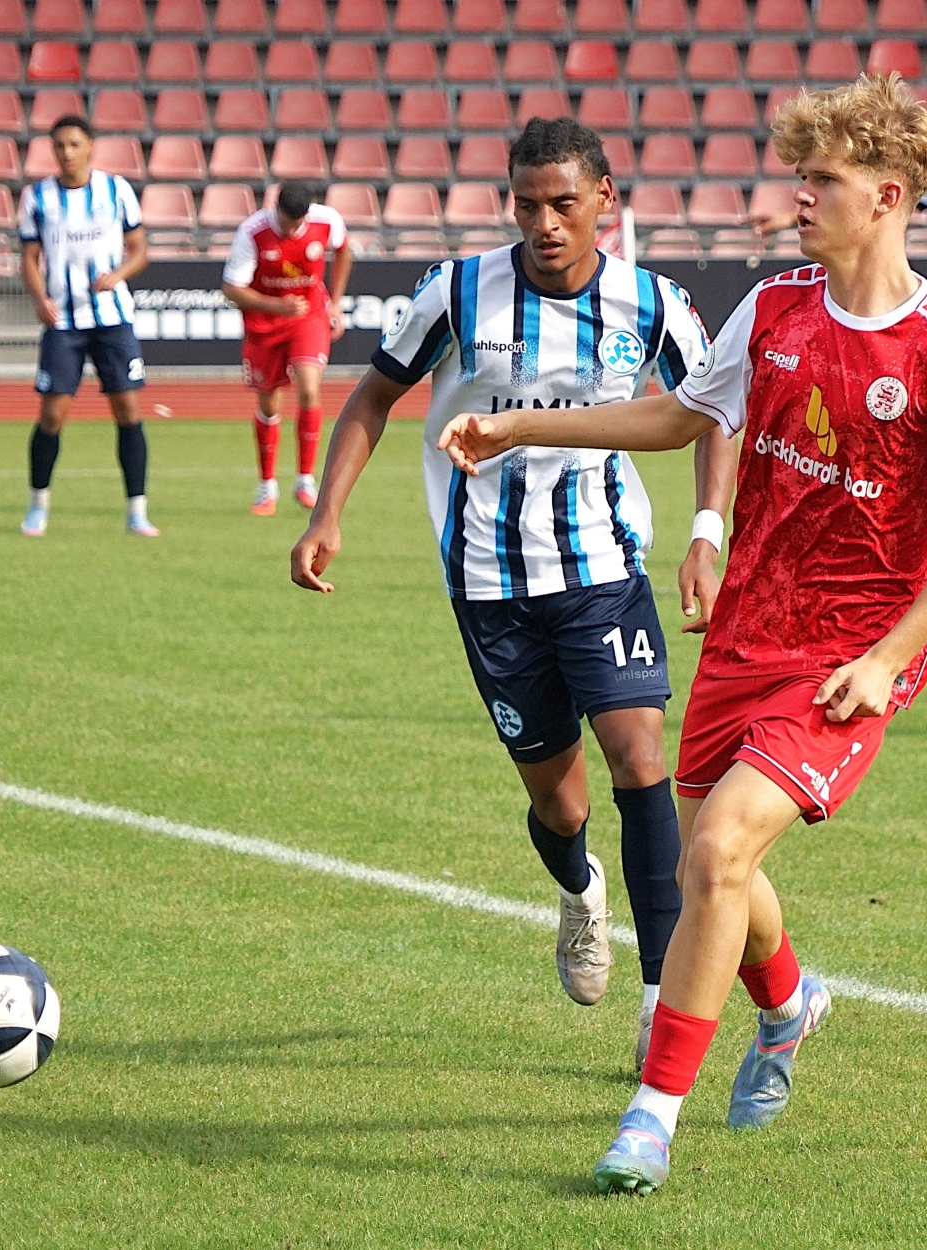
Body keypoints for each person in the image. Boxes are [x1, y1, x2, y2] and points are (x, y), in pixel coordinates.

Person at [439, 74, 927, 1195]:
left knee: (713, 851)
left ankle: (651, 1117)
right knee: (720, 866)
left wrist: (886, 659)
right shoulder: (773, 308)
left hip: (850, 655)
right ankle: (790, 1003)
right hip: (748, 627)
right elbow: (679, 415)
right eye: (799, 176)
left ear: (888, 197)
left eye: (822, 180)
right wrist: (520, 426)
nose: (798, 196)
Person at [290, 118, 707, 1068]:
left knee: (641, 757)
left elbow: (713, 409)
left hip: (603, 570)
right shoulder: (456, 290)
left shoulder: (652, 303)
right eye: (527, 205)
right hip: (490, 584)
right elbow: (372, 397)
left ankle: (660, 1000)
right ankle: (579, 891)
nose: (545, 223)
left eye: (564, 203)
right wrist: (326, 514)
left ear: (605, 200)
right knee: (561, 807)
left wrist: (705, 531)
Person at [17, 115, 155, 539]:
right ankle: (38, 506)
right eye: (59, 146)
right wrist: (40, 298)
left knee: (128, 410)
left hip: (113, 318)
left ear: (90, 146)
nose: (67, 153)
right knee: (52, 415)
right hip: (64, 321)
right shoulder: (37, 196)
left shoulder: (116, 190)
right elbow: (28, 257)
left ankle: (137, 511)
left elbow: (140, 250)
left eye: (74, 144)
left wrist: (118, 275)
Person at [221, 180, 353, 515]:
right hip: (265, 323)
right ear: (276, 209)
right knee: (269, 402)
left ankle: (305, 480)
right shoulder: (253, 232)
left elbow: (343, 250)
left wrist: (335, 303)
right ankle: (266, 485)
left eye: (298, 223)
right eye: (287, 222)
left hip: (308, 314)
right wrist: (276, 305)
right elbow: (232, 289)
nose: (292, 230)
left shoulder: (326, 221)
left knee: (309, 387)